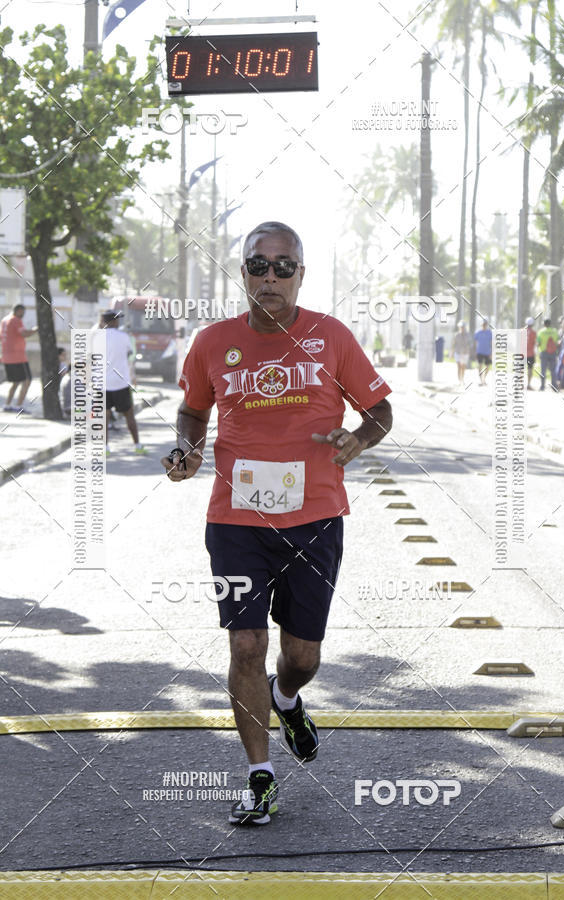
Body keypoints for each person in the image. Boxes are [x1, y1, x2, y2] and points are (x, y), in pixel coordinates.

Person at [162, 221, 393, 826]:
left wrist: (357, 439)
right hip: (236, 521)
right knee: (245, 644)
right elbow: (192, 410)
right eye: (258, 266)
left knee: (303, 657)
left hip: (315, 519)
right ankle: (258, 777)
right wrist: (186, 449)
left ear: (300, 273)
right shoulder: (213, 342)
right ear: (243, 274)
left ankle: (287, 698)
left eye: (282, 266)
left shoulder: (331, 336)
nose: (270, 277)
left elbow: (381, 410)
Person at [102, 311, 147, 454]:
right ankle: (137, 446)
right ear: (114, 322)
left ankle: (105, 448)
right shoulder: (124, 337)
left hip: (102, 383)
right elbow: (129, 354)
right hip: (121, 382)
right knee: (129, 415)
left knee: (104, 417)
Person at [1, 303, 38, 413]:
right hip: (18, 357)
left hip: (7, 357)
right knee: (27, 380)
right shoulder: (16, 320)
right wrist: (36, 329)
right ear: (18, 311)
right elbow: (24, 334)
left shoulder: (4, 321)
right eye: (22, 312)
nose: (23, 314)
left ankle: (7, 405)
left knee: (16, 381)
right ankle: (19, 406)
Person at [536, 318, 559, 391]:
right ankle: (554, 386)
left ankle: (542, 386)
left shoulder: (541, 332)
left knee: (543, 370)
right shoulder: (554, 331)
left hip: (544, 353)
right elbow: (558, 342)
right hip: (553, 353)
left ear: (544, 324)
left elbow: (538, 343)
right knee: (553, 370)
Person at [473, 319, 492, 386]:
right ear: (481, 325)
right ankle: (481, 381)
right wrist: (475, 352)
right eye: (483, 324)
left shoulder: (489, 333)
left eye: (485, 324)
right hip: (479, 351)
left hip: (487, 352)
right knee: (480, 366)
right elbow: (475, 343)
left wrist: (491, 353)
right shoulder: (478, 332)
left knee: (487, 367)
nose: (484, 326)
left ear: (486, 325)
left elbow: (491, 343)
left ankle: (484, 379)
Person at [452, 320, 470, 384]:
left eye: (463, 327)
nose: (462, 328)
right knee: (459, 366)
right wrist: (452, 352)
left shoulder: (468, 335)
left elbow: (469, 344)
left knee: (463, 367)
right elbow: (454, 344)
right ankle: (459, 380)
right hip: (458, 352)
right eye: (461, 327)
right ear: (459, 327)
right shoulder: (456, 335)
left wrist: (469, 351)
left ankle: (462, 379)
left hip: (465, 353)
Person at [525, 317, 537, 389]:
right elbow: (535, 343)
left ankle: (519, 385)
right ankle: (528, 385)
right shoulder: (534, 333)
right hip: (530, 354)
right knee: (530, 369)